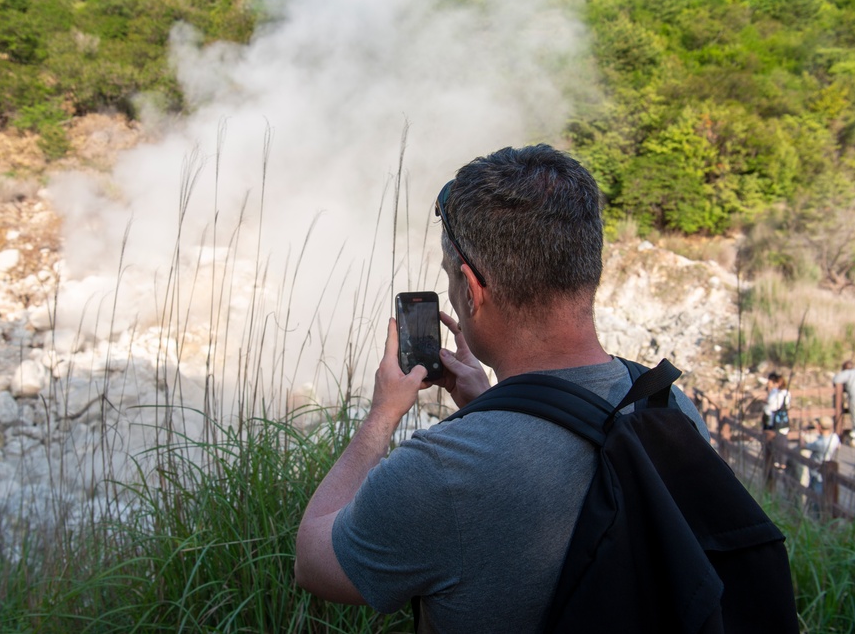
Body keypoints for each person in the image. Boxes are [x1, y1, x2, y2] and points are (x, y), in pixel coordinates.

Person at [294, 144, 711, 632]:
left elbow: (313, 561)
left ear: (470, 289)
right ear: (587, 266)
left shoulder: (446, 468)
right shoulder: (668, 406)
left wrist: (382, 415)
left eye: (451, 280)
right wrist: (493, 403)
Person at [803, 415, 841, 496]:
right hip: (828, 466)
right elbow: (838, 446)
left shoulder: (819, 444)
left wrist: (802, 434)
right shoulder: (834, 437)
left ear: (819, 426)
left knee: (815, 494)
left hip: (817, 471)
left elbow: (803, 446)